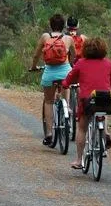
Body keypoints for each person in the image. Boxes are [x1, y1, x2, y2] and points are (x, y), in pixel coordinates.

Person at [62, 37, 111, 170]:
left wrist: (64, 84)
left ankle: (79, 160)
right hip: (105, 100)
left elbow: (69, 78)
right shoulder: (108, 63)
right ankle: (104, 134)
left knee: (82, 128)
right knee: (102, 113)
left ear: (85, 49)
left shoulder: (81, 63)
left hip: (88, 101)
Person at [30, 14, 76, 146]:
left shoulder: (45, 37)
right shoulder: (68, 38)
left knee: (49, 101)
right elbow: (74, 55)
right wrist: (71, 65)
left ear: (51, 25)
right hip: (65, 71)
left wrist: (33, 67)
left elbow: (36, 55)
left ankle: (49, 134)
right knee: (65, 88)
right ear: (63, 26)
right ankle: (67, 108)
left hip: (50, 72)